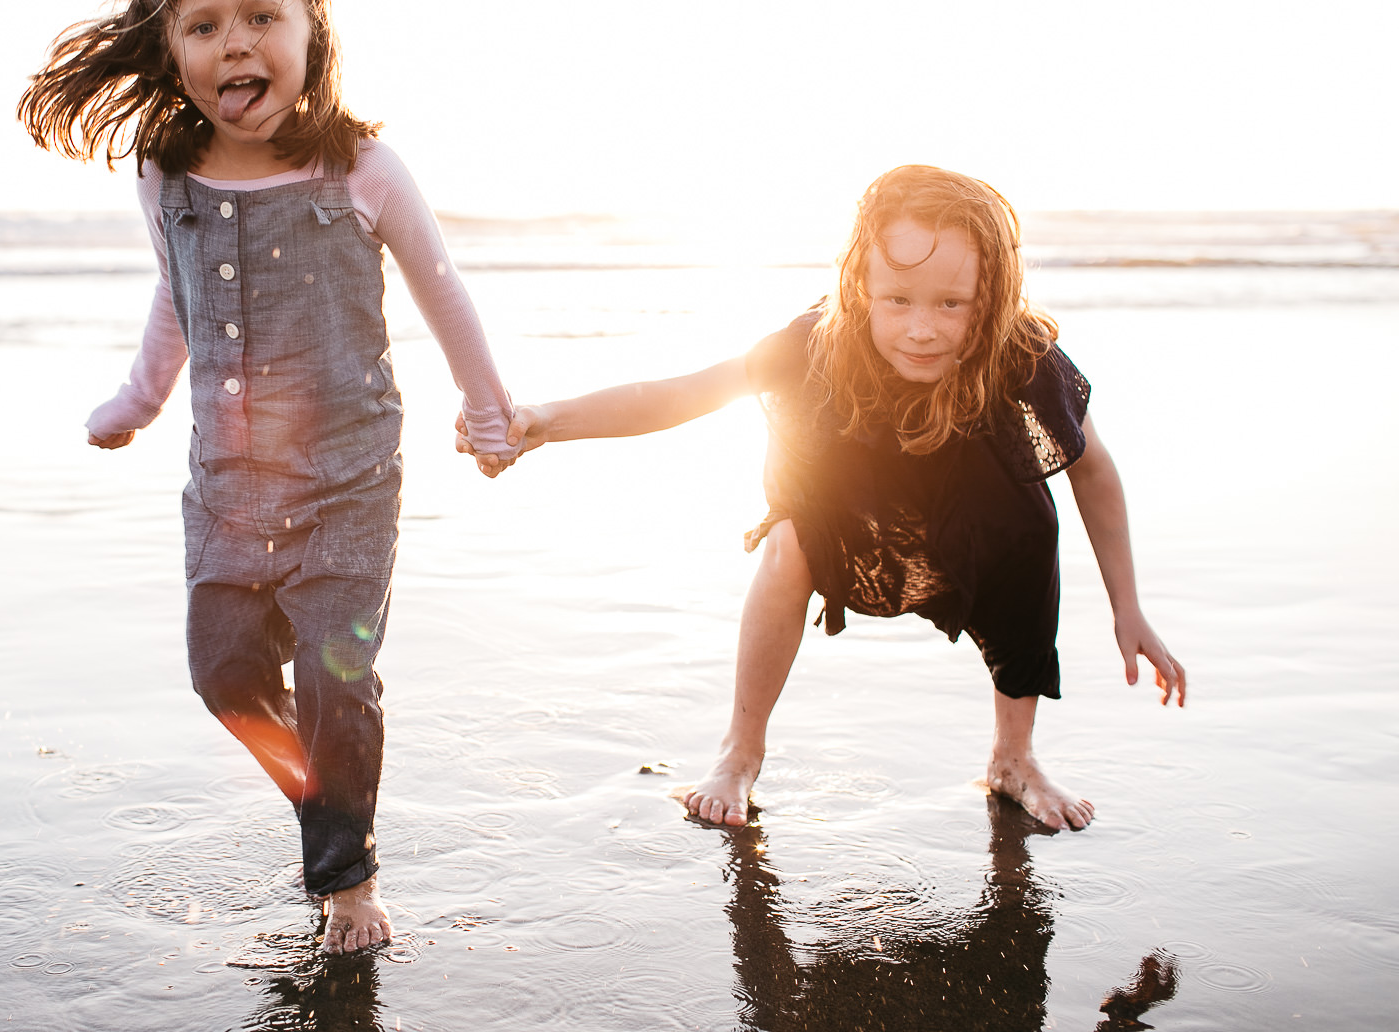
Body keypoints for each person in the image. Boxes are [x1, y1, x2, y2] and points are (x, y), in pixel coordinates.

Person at [18, 0, 515, 953]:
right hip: (228, 488)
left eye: (260, 15)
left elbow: (442, 289)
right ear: (170, 52)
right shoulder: (166, 177)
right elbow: (176, 299)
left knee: (339, 676)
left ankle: (347, 875)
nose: (235, 42)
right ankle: (321, 798)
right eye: (203, 24)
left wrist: (486, 407)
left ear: (310, 33)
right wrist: (140, 400)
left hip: (347, 481)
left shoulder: (363, 169)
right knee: (224, 677)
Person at [460, 165, 1185, 832]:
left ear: (989, 297)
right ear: (860, 285)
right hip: (853, 516)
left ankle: (1013, 758)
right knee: (789, 541)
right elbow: (686, 393)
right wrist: (545, 423)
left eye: (951, 303)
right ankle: (740, 752)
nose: (922, 328)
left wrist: (1129, 607)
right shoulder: (821, 339)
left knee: (1033, 525)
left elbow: (1092, 469)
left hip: (979, 523)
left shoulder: (1017, 349)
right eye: (897, 300)